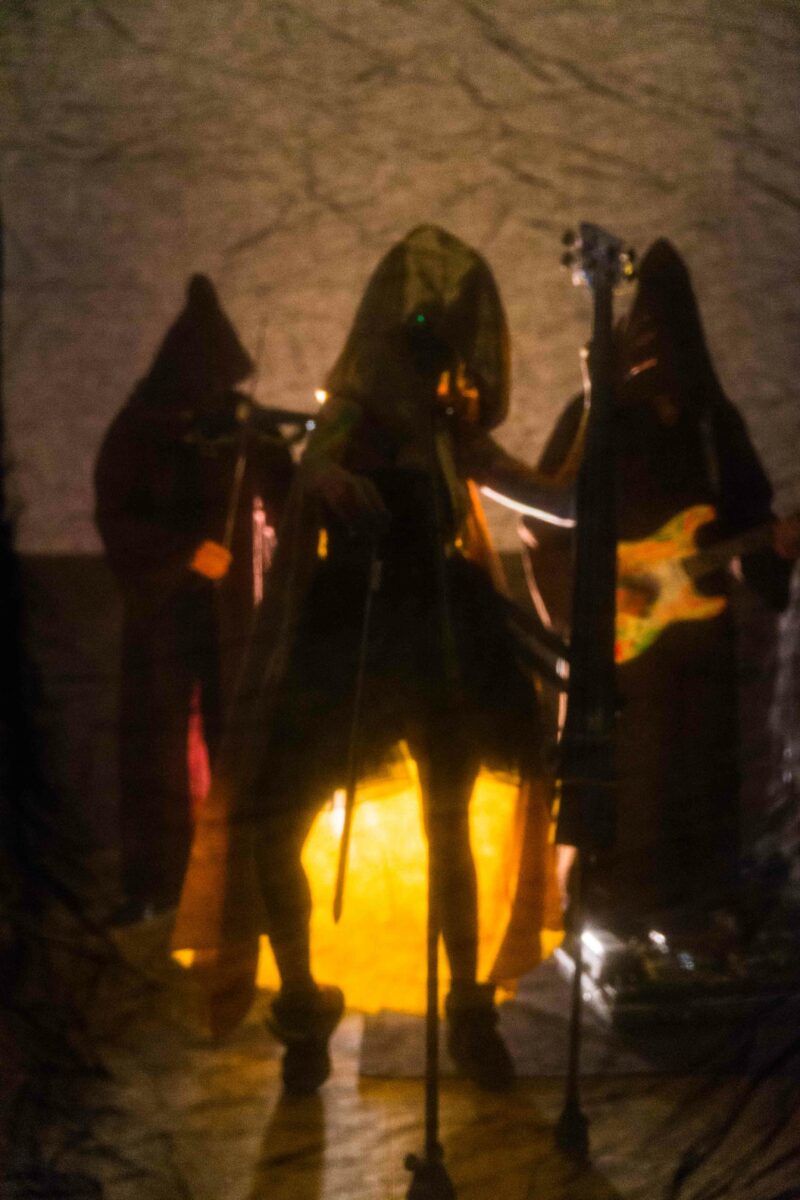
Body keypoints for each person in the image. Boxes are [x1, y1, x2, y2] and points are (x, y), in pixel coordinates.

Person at [174, 226, 573, 1093]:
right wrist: (328, 478)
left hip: (442, 639)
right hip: (348, 635)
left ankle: (470, 1009)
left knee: (448, 825)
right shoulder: (351, 417)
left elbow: (558, 502)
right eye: (413, 355)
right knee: (276, 823)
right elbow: (317, 463)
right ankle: (303, 1007)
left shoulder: (451, 434)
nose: (426, 376)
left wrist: (600, 415)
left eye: (437, 361)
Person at [522, 239, 800, 939]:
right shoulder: (594, 417)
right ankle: (608, 913)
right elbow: (542, 524)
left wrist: (771, 553)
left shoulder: (714, 424)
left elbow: (748, 521)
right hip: (623, 658)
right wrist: (585, 613)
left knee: (699, 781)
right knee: (626, 784)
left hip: (700, 658)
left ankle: (691, 917)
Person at [95, 275, 295, 922]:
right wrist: (184, 553)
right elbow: (118, 516)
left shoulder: (241, 427)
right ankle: (158, 884)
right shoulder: (140, 429)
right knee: (159, 748)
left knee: (236, 738)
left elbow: (286, 492)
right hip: (164, 619)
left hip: (231, 617)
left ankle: (236, 881)